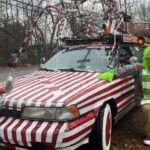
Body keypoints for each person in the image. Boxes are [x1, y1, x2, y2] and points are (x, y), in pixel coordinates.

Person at [98, 46, 150, 146]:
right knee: (148, 110)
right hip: (146, 99)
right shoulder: (140, 68)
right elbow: (126, 69)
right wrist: (112, 74)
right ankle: (149, 133)